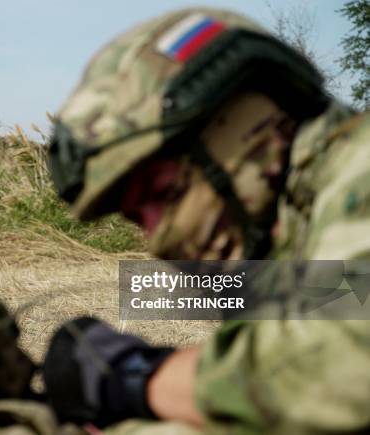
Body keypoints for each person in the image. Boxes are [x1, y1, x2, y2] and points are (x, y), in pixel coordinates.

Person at [45, 7, 370, 434]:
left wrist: (134, 378)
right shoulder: (291, 231)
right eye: (135, 216)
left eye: (165, 194)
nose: (155, 238)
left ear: (244, 125)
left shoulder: (359, 166)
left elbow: (338, 372)